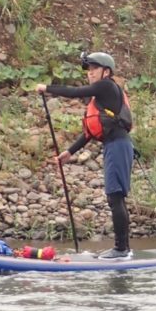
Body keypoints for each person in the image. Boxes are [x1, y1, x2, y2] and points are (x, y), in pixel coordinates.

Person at [36, 51, 134, 259]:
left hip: (118, 146)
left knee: (115, 197)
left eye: (94, 68)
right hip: (114, 145)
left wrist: (47, 88)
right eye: (89, 69)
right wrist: (69, 152)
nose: (90, 73)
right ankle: (123, 249)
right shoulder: (101, 98)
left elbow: (74, 92)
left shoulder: (106, 86)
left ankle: (121, 249)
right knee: (115, 197)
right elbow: (89, 132)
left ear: (106, 72)